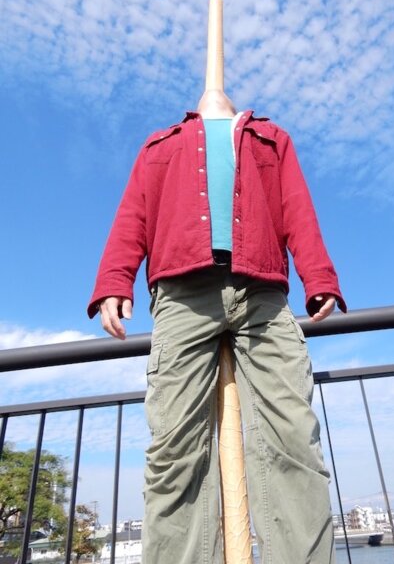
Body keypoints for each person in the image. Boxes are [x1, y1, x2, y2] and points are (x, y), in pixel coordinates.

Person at [88, 90, 346, 564]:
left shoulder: (270, 138)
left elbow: (297, 208)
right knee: (174, 448)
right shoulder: (161, 143)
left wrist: (320, 276)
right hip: (182, 293)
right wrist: (113, 280)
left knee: (293, 436)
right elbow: (133, 214)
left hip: (263, 291)